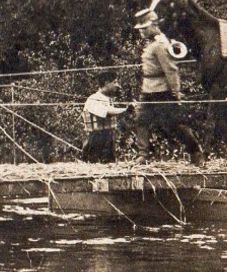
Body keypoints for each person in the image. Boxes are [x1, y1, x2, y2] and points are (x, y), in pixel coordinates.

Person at [133, 11, 204, 164]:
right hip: (148, 91)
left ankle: (195, 151)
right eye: (140, 28)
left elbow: (171, 70)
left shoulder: (160, 45)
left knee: (174, 125)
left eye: (144, 28)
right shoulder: (151, 44)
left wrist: (176, 92)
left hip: (163, 91)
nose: (141, 31)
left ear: (154, 26)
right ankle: (143, 155)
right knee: (141, 120)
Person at [80, 80, 129, 163]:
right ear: (106, 83)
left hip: (108, 141)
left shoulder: (108, 99)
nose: (117, 85)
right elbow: (106, 112)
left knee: (109, 166)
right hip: (95, 141)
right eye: (114, 82)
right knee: (95, 166)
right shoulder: (93, 99)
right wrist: (125, 110)